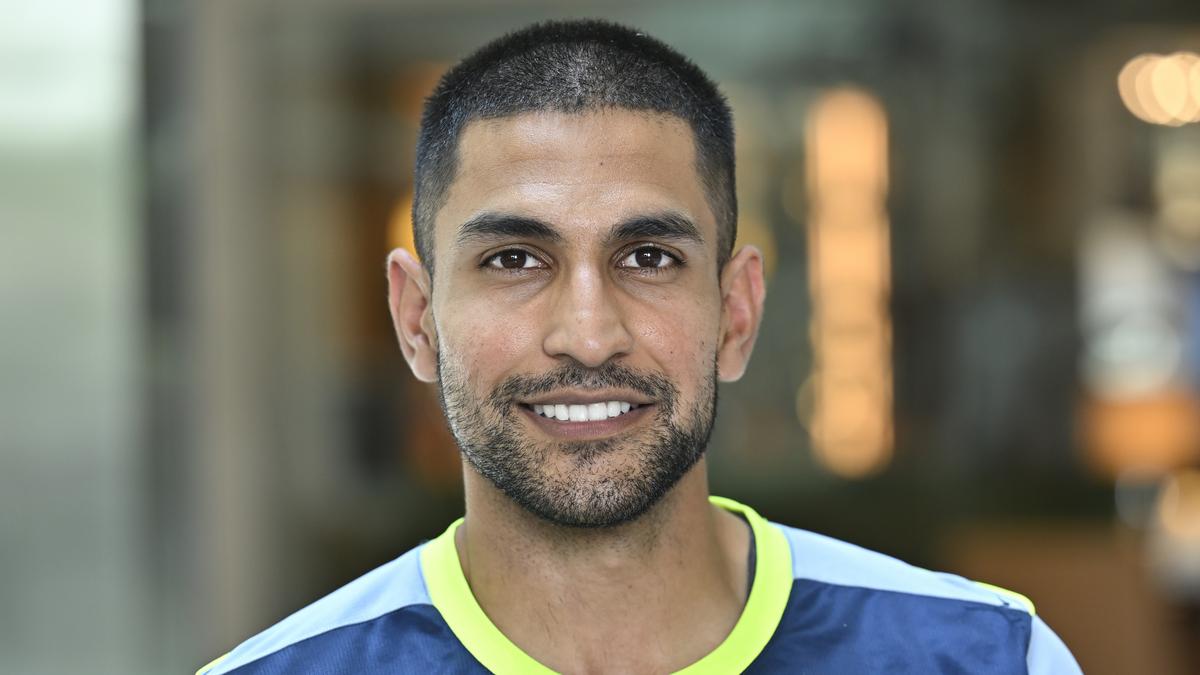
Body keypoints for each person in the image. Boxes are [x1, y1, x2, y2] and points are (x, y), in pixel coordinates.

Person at [197, 19, 1081, 674]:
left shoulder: (988, 657)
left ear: (736, 314)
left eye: (649, 257)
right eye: (514, 259)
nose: (589, 333)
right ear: (416, 319)